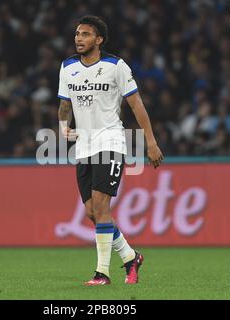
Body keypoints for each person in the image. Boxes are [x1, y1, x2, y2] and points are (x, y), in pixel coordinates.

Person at [57, 15, 164, 286]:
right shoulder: (68, 67)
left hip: (110, 142)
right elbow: (65, 105)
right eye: (77, 33)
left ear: (99, 40)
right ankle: (131, 258)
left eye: (85, 34)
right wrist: (61, 126)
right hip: (84, 146)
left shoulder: (116, 66)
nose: (78, 38)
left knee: (102, 206)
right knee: (93, 212)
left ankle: (101, 273)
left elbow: (136, 104)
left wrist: (150, 142)